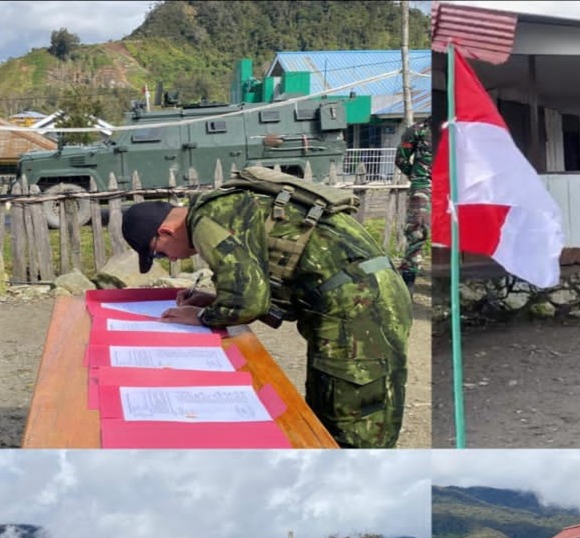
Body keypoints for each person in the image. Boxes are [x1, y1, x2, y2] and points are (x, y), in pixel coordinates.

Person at [120, 167, 413, 449]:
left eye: (159, 254)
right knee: (338, 405)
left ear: (166, 231)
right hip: (364, 294)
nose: (171, 260)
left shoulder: (205, 222)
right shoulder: (222, 205)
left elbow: (248, 301)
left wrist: (200, 317)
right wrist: (216, 301)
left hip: (357, 306)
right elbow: (255, 284)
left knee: (349, 423)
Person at [394, 118, 432, 287]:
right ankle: (408, 277)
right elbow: (400, 159)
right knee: (417, 230)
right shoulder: (418, 130)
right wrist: (416, 176)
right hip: (423, 185)